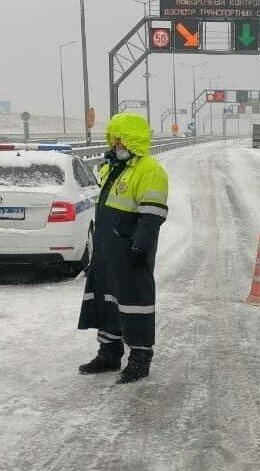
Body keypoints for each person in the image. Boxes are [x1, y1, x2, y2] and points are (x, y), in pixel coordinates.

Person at [77, 113, 169, 384]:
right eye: (113, 140)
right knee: (106, 301)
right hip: (107, 252)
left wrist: (139, 247)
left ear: (132, 141)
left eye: (119, 140)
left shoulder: (149, 170)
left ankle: (140, 360)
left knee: (135, 304)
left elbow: (152, 215)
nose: (115, 144)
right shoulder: (113, 167)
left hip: (130, 251)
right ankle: (109, 353)